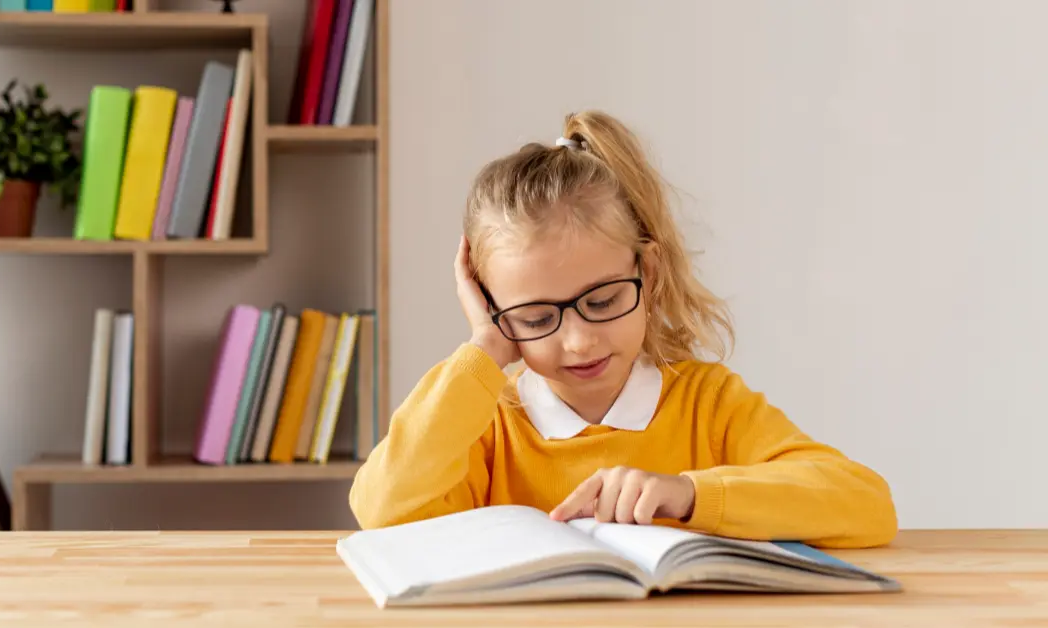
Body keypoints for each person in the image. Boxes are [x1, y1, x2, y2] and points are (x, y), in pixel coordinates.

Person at [348, 110, 898, 549]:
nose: (580, 340)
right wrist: (485, 350)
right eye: (537, 318)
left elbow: (867, 505)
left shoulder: (709, 405)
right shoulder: (485, 424)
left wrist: (688, 495)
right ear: (494, 310)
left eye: (605, 300)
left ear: (648, 273)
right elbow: (381, 508)